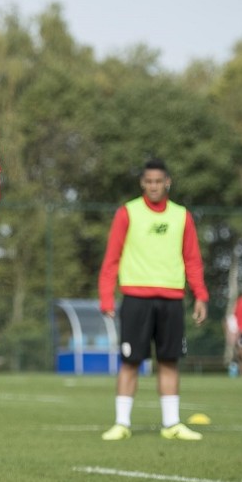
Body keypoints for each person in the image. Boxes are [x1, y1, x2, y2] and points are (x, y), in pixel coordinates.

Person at [98, 158, 208, 441]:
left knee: (169, 360)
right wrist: (106, 296)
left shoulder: (181, 215)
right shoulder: (128, 213)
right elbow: (112, 258)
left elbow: (193, 259)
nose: (154, 186)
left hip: (172, 299)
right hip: (136, 298)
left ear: (167, 182)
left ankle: (171, 424)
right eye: (149, 182)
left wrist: (200, 296)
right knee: (131, 361)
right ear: (142, 184)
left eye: (159, 181)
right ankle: (122, 423)